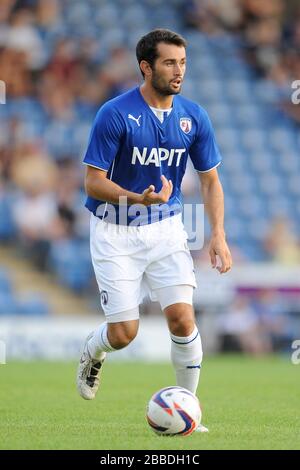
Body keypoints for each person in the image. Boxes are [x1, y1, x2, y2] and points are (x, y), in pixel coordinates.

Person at [76, 29, 232, 432]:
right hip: (114, 231)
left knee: (182, 319)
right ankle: (94, 350)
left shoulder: (193, 116)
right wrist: (135, 197)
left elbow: (211, 181)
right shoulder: (115, 113)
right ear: (146, 67)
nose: (178, 71)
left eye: (182, 62)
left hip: (165, 229)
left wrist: (218, 235)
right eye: (168, 63)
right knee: (124, 333)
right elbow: (92, 181)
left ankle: (190, 412)